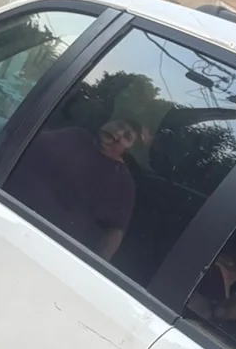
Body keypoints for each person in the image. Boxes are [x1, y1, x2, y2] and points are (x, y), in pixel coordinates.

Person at [12, 111, 146, 259]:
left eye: (127, 137)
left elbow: (114, 233)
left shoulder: (123, 182)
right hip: (9, 210)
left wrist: (93, 266)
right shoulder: (75, 136)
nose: (118, 133)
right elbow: (24, 143)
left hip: (51, 249)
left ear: (128, 150)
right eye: (119, 125)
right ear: (109, 122)